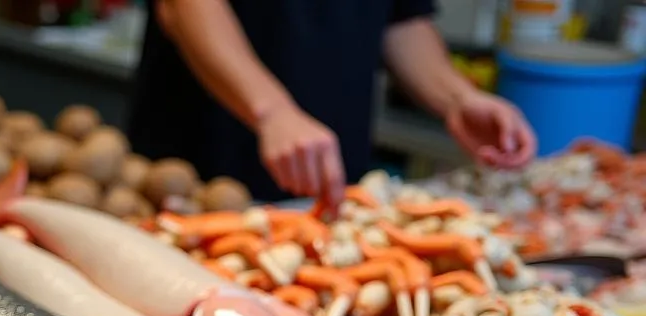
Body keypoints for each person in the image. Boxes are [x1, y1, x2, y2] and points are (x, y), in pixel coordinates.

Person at [127, 0, 537, 204]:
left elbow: (402, 18)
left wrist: (457, 98)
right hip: (200, 172)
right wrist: (273, 111)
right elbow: (184, 7)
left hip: (330, 181)